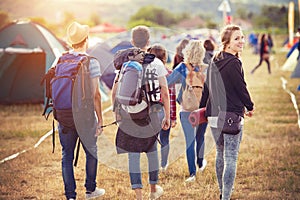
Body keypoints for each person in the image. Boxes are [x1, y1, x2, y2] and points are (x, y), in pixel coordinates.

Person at [111, 25, 170, 200]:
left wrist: (116, 112)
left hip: (129, 113)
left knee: (133, 153)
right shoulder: (156, 62)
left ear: (132, 41)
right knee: (152, 150)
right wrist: (167, 115)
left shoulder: (124, 63)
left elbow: (115, 91)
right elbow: (165, 92)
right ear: (148, 42)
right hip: (152, 112)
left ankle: (138, 194)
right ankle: (153, 190)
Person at [204, 24, 254, 200]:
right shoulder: (234, 63)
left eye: (242, 37)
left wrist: (202, 109)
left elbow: (206, 88)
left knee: (220, 153)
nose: (242, 41)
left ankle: (222, 192)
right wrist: (250, 106)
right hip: (231, 115)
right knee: (230, 156)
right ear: (226, 43)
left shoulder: (214, 60)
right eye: (237, 38)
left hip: (213, 115)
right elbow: (241, 88)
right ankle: (225, 196)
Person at [57, 22, 105, 200]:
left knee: (66, 155)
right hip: (84, 116)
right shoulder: (91, 62)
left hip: (64, 115)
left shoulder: (60, 59)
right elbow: (96, 95)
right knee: (91, 151)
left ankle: (70, 196)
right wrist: (100, 121)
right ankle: (90, 191)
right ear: (87, 39)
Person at [167, 40, 206, 183]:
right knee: (200, 137)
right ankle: (200, 163)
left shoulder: (182, 67)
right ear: (202, 53)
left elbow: (168, 82)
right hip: (203, 110)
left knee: (190, 141)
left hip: (187, 110)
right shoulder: (205, 68)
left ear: (187, 52)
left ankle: (192, 173)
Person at [148, 43, 177, 172]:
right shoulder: (170, 73)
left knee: (153, 139)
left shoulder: (149, 73)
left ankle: (154, 165)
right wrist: (172, 116)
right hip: (166, 110)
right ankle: (163, 165)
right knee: (165, 139)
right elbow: (171, 97)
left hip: (153, 110)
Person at [195, 39, 216, 173]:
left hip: (190, 104)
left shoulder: (190, 65)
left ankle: (193, 164)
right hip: (205, 104)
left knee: (192, 135)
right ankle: (199, 161)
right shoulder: (213, 62)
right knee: (200, 134)